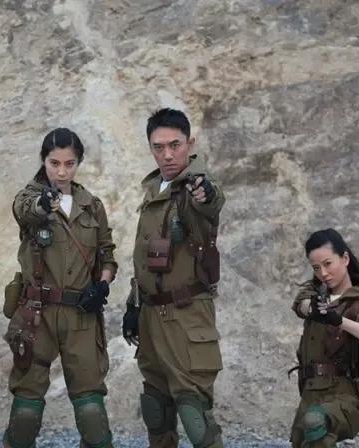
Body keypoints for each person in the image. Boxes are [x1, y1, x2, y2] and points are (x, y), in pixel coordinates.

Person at [3, 127, 117, 448]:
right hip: (37, 315)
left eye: (69, 164)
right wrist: (43, 204)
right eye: (54, 163)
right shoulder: (29, 198)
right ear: (44, 161)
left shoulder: (91, 206)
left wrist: (102, 285)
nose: (62, 172)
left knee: (91, 411)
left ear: (78, 163)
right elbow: (25, 211)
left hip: (80, 315)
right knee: (26, 413)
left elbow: (107, 254)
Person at [121, 108, 225, 448]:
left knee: (195, 416)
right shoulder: (154, 189)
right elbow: (146, 259)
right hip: (152, 317)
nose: (167, 154)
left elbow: (210, 202)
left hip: (187, 316)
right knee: (157, 411)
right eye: (159, 147)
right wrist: (134, 306)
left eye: (175, 145)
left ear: (189, 144)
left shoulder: (198, 187)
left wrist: (205, 194)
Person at [290, 228, 359, 447]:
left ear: (345, 258)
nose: (323, 273)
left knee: (316, 423)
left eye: (328, 264)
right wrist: (313, 309)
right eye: (316, 268)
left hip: (343, 395)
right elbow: (300, 303)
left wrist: (338, 320)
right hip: (310, 393)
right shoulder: (315, 293)